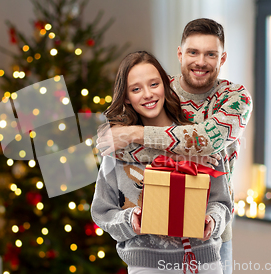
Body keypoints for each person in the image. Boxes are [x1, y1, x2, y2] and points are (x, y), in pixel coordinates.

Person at [96, 19, 253, 274]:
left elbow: (208, 141)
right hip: (148, 249)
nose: (200, 61)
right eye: (193, 52)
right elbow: (110, 139)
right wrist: (187, 160)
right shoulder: (159, 88)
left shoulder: (235, 98)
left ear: (222, 58)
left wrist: (136, 134)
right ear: (180, 54)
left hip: (211, 235)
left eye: (210, 54)